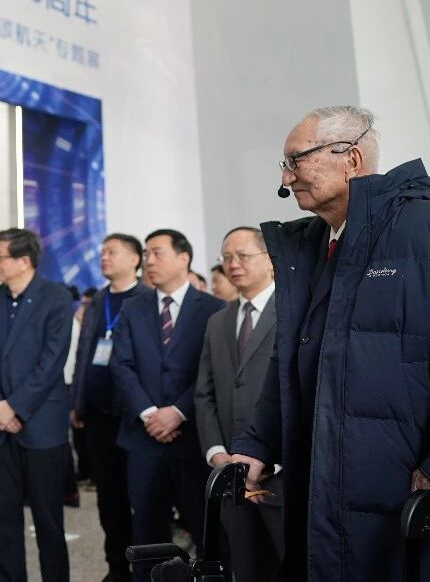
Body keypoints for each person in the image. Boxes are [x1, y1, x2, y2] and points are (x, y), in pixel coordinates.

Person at [230, 105, 430, 582]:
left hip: (410, 494)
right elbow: (293, 360)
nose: (286, 179)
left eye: (296, 161)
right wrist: (257, 443)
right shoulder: (312, 247)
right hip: (325, 487)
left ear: (351, 158)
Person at [111, 229, 223, 580]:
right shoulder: (133, 307)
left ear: (183, 257)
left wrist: (176, 412)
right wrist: (150, 414)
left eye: (157, 253)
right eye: (146, 254)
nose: (149, 261)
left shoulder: (213, 309)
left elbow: (210, 372)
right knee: (146, 529)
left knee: (204, 527)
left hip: (192, 437)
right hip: (142, 438)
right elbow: (121, 365)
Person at [0, 228, 72, 582]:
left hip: (41, 425)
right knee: (4, 518)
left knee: (48, 521)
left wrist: (14, 407)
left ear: (24, 261)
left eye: (0, 256)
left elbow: (52, 361)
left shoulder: (55, 297)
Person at [194, 227, 283, 582]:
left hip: (280, 473)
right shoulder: (218, 321)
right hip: (230, 473)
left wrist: (275, 460)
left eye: (243, 256)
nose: (233, 264)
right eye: (226, 258)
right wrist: (217, 453)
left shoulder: (293, 312)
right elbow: (205, 394)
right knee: (244, 566)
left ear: (270, 261)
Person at [70, 233, 151, 582]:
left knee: (143, 499)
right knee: (109, 499)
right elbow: (84, 355)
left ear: (134, 259)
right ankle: (117, 568)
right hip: (99, 417)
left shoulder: (147, 299)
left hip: (135, 418)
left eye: (112, 252)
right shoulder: (98, 301)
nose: (104, 257)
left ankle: (146, 569)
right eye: (102, 252)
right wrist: (78, 401)